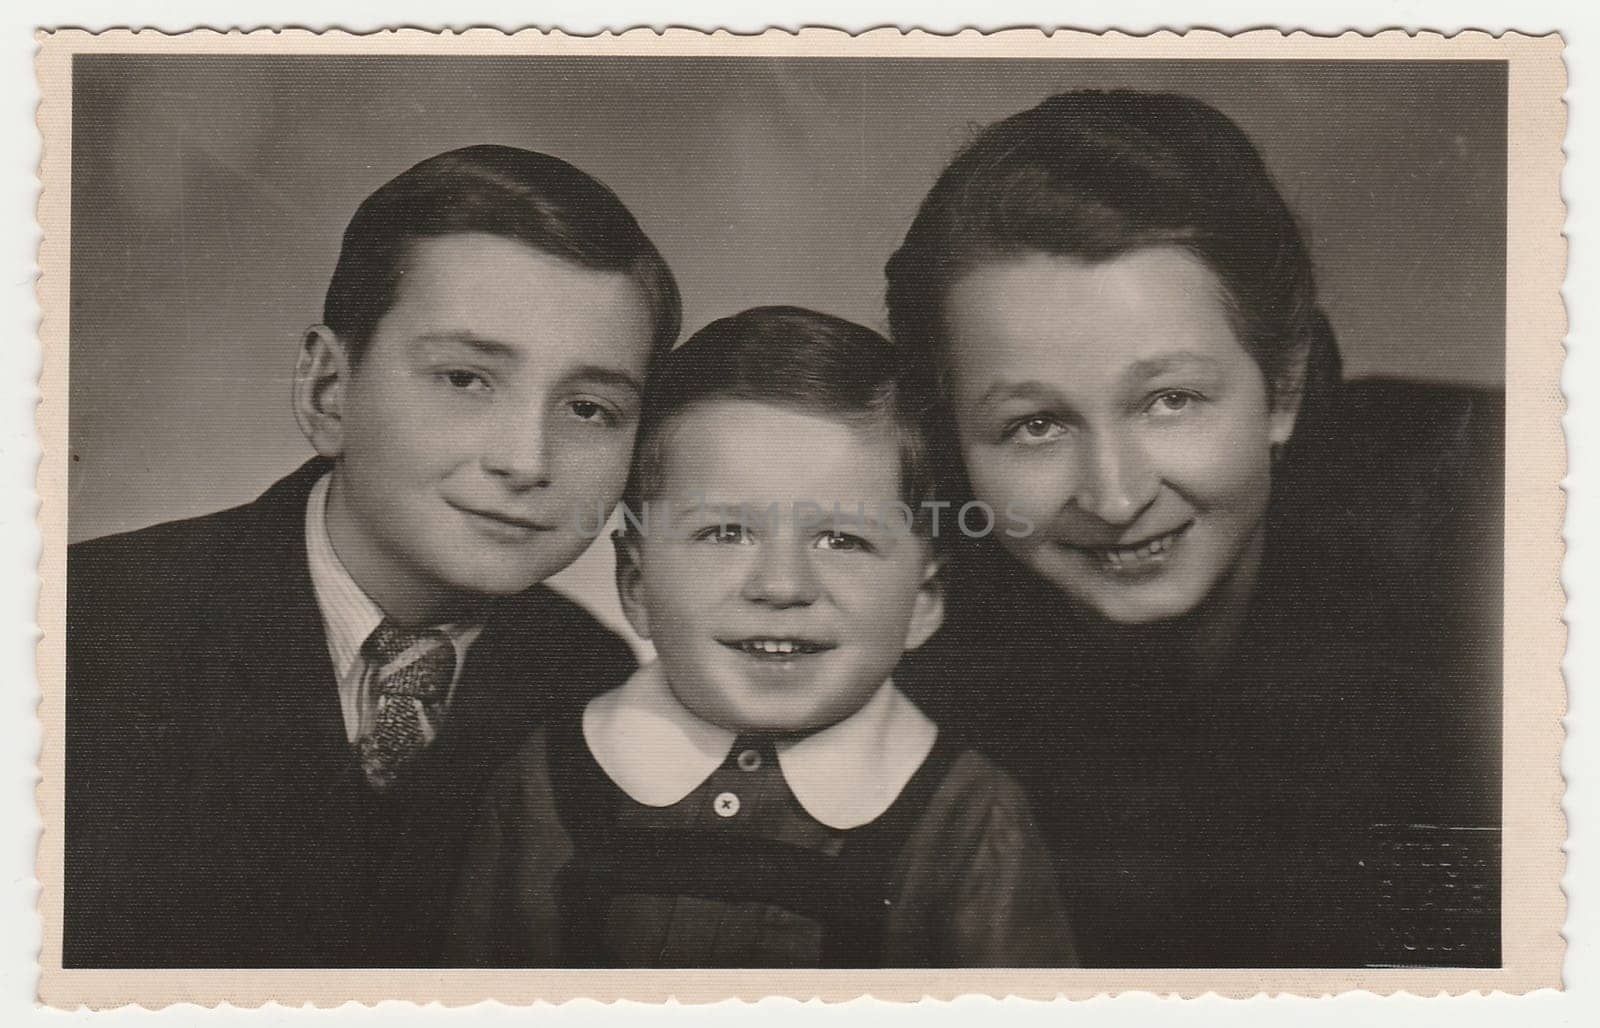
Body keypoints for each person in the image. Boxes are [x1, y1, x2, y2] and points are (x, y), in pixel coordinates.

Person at [885, 90, 1503, 967]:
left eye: (1170, 400)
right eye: (1035, 424)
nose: (1113, 494)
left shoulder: (1506, 537)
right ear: (954, 440)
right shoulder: (911, 667)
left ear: (1282, 390)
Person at [64, 145, 681, 967]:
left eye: (591, 409)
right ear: (329, 390)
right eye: (465, 379)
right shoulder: (80, 627)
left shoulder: (591, 680)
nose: (527, 460)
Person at [447, 307, 1076, 967]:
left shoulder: (969, 821)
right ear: (635, 585)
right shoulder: (548, 779)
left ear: (923, 599)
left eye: (843, 539)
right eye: (724, 532)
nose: (781, 585)